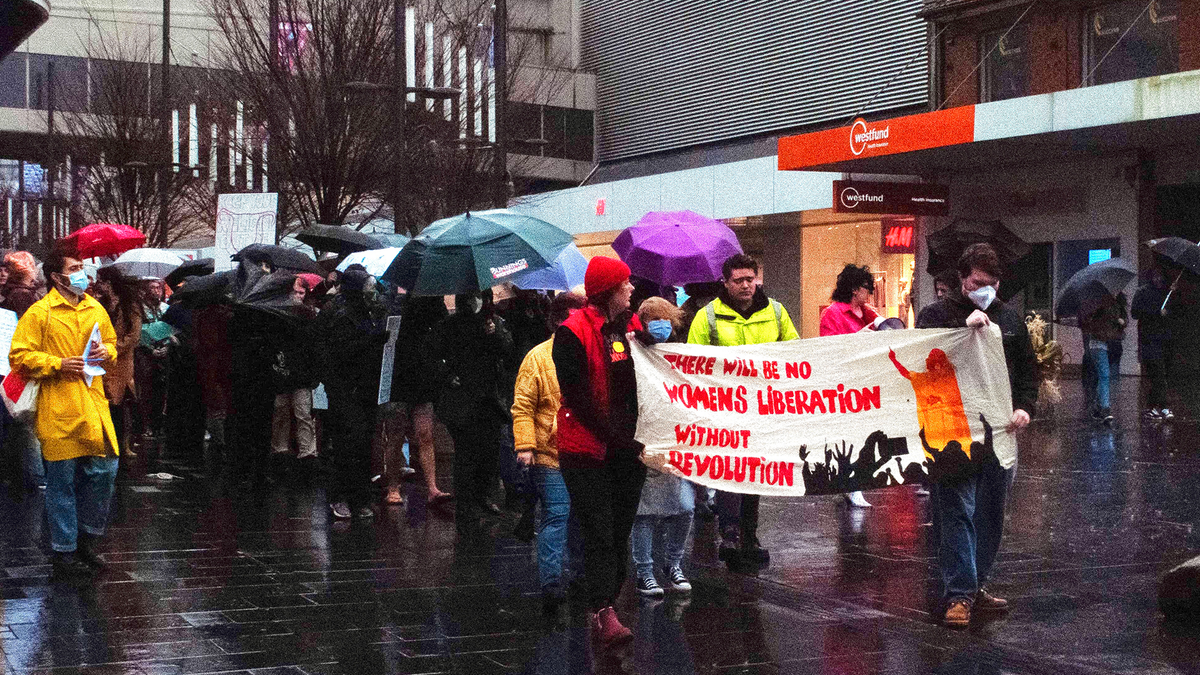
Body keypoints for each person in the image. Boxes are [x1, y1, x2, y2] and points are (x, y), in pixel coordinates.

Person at [916, 243, 1037, 628]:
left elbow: (1027, 370)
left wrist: (1025, 406)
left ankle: (973, 584)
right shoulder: (936, 315)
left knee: (989, 514)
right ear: (961, 279)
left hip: (999, 434)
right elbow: (920, 357)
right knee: (955, 511)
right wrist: (959, 332)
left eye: (992, 284)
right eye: (977, 283)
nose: (985, 290)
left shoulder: (1009, 319)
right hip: (952, 433)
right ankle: (959, 594)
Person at [10, 247, 120, 576]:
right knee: (61, 483)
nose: (81, 274)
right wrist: (57, 363)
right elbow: (19, 356)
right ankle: (64, 550)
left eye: (82, 267)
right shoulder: (40, 313)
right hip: (57, 407)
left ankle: (86, 537)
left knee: (104, 472)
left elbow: (111, 343)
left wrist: (106, 351)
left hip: (93, 406)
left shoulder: (94, 308)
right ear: (57, 277)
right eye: (74, 268)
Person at [553, 256, 645, 647]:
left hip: (627, 448)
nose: (632, 289)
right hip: (587, 449)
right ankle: (603, 609)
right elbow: (578, 399)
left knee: (621, 528)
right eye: (625, 284)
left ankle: (608, 599)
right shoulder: (571, 333)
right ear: (609, 291)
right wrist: (613, 436)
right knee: (600, 530)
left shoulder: (632, 327)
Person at [686, 253, 798, 573]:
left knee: (756, 471)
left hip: (763, 406)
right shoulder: (707, 317)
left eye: (751, 279)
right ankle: (730, 533)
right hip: (725, 408)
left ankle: (749, 534)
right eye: (739, 280)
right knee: (730, 470)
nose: (747, 285)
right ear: (726, 283)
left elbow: (794, 350)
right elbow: (692, 362)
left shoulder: (776, 312)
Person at [512, 291, 587, 614]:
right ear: (557, 321)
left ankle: (579, 575)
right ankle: (552, 581)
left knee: (579, 517)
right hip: (550, 453)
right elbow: (523, 406)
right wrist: (525, 446)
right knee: (558, 514)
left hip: (582, 450)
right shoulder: (538, 358)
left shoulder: (589, 351)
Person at [431, 290, 514, 533]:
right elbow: (431, 354)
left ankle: (483, 496)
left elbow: (507, 351)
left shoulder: (494, 322)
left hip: (489, 399)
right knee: (466, 454)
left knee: (489, 453)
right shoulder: (450, 325)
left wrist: (494, 333)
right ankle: (466, 505)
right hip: (462, 400)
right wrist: (447, 375)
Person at [631, 297, 694, 598]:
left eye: (666, 319)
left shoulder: (680, 354)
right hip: (646, 439)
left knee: (685, 507)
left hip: (675, 440)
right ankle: (644, 571)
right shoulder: (632, 350)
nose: (661, 325)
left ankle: (673, 563)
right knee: (645, 513)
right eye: (654, 319)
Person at [316, 268, 386, 519]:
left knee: (363, 443)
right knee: (346, 443)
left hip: (364, 386)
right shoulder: (338, 313)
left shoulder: (367, 311)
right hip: (344, 388)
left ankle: (360, 497)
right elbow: (339, 351)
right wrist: (372, 341)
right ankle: (340, 496)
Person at [818, 263, 887, 509]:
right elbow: (828, 349)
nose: (870, 293)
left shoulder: (868, 313)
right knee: (850, 435)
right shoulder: (833, 314)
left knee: (863, 434)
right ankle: (851, 484)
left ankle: (853, 483)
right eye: (867, 288)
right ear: (855, 289)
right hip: (845, 383)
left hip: (866, 380)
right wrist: (858, 340)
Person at [389, 295, 452, 503]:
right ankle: (393, 486)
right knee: (397, 433)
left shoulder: (433, 303)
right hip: (401, 374)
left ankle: (432, 488)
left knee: (425, 434)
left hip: (421, 374)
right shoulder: (401, 303)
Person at [2, 251, 47, 491]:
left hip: (11, 363)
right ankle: (35, 475)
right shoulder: (23, 296)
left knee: (17, 418)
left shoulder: (12, 293)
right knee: (27, 420)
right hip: (24, 364)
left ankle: (20, 473)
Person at [268, 276, 320, 479]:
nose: (298, 296)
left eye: (301, 293)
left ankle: (300, 451)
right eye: (296, 292)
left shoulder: (304, 315)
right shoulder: (290, 314)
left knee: (300, 412)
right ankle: (297, 451)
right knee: (287, 411)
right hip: (288, 371)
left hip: (294, 371)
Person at [91, 267, 144, 460]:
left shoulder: (130, 305)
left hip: (121, 362)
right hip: (103, 362)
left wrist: (113, 348)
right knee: (107, 403)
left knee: (120, 403)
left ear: (110, 283)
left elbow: (133, 336)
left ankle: (123, 443)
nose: (99, 285)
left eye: (101, 281)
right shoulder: (100, 304)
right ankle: (108, 442)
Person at [1131, 267, 1174, 420]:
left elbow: (1173, 312)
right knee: (1158, 372)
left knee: (1159, 374)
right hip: (1149, 339)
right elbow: (1135, 313)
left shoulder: (1166, 293)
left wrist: (1172, 294)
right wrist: (1156, 312)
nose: (1158, 279)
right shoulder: (1142, 292)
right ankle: (1164, 407)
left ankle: (1152, 407)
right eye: (1155, 276)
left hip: (1164, 339)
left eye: (1160, 276)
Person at [1079, 290, 1127, 426]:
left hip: (1113, 345)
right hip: (1099, 343)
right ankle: (1105, 408)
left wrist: (1122, 322)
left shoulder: (1119, 305)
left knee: (1107, 376)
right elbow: (1087, 322)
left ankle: (1098, 406)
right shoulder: (1097, 305)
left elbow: (1124, 322)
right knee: (1104, 375)